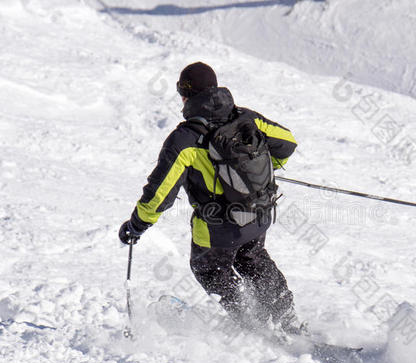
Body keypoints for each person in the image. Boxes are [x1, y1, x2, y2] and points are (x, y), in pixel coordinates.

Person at [118, 62, 301, 334]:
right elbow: (287, 142)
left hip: (218, 228)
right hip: (258, 213)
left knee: (210, 269)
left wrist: (137, 224)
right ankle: (287, 319)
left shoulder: (186, 139)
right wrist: (261, 169)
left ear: (185, 95)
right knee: (252, 257)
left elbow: (160, 194)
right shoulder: (246, 118)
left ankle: (251, 324)